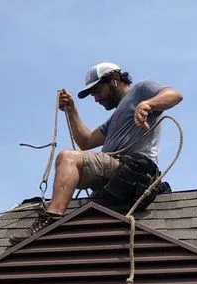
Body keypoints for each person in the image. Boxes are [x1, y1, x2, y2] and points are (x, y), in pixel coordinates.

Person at [10, 62, 183, 244]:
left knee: (67, 157)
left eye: (98, 91)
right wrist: (71, 110)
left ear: (115, 80)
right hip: (116, 174)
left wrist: (148, 103)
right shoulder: (114, 118)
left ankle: (51, 218)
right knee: (89, 220)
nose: (96, 98)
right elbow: (86, 142)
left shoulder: (140, 90)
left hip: (132, 168)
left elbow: (174, 95)